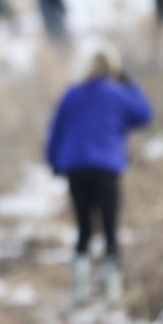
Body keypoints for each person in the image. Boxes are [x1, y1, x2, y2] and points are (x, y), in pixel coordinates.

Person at [45, 45, 153, 305]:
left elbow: (55, 130)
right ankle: (112, 290)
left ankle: (81, 289)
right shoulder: (116, 94)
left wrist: (54, 162)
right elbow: (144, 114)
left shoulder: (72, 94)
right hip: (106, 169)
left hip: (76, 169)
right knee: (109, 228)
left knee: (83, 228)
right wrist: (130, 83)